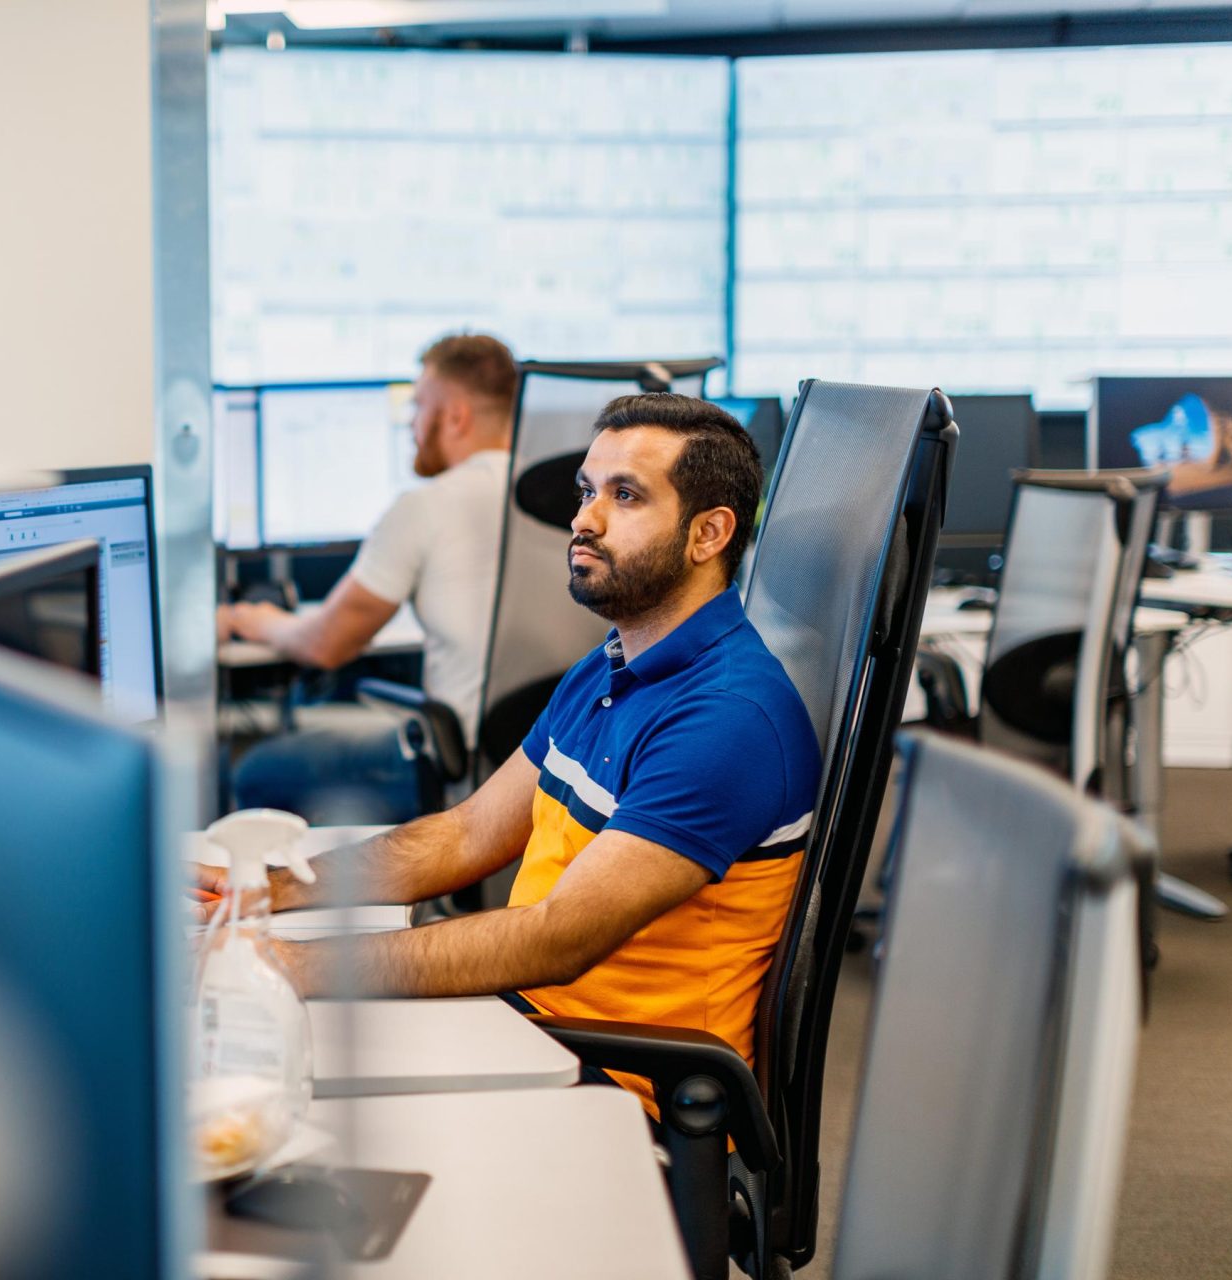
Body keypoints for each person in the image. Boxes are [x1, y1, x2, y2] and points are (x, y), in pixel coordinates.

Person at [196, 393, 820, 1107]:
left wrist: (290, 964)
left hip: (623, 1086)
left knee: (283, 1084)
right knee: (264, 1061)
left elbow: (556, 939)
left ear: (709, 533)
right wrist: (269, 891)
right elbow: (468, 833)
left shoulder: (726, 719)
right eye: (588, 490)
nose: (584, 520)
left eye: (626, 496)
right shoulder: (611, 663)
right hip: (536, 1028)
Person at [221, 332, 517, 823]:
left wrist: (254, 618)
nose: (410, 423)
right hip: (548, 763)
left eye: (419, 405)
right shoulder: (566, 496)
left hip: (461, 769)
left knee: (256, 770)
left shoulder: (425, 505)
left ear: (456, 415)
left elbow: (326, 644)